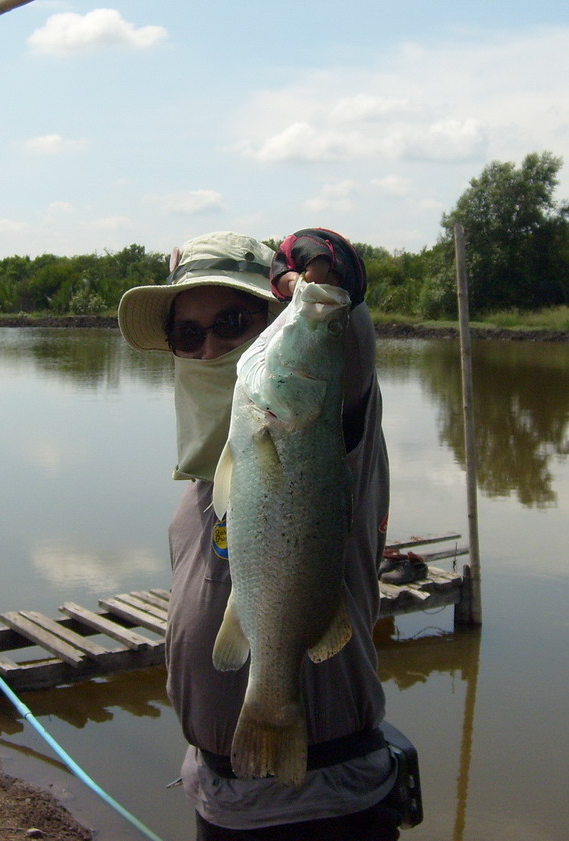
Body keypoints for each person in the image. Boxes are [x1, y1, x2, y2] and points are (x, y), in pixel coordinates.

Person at [117, 229, 399, 840]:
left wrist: (314, 271)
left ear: (274, 317)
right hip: (221, 795)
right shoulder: (208, 478)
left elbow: (341, 319)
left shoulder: (329, 418)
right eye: (188, 334)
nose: (209, 345)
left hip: (323, 803)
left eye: (232, 320)